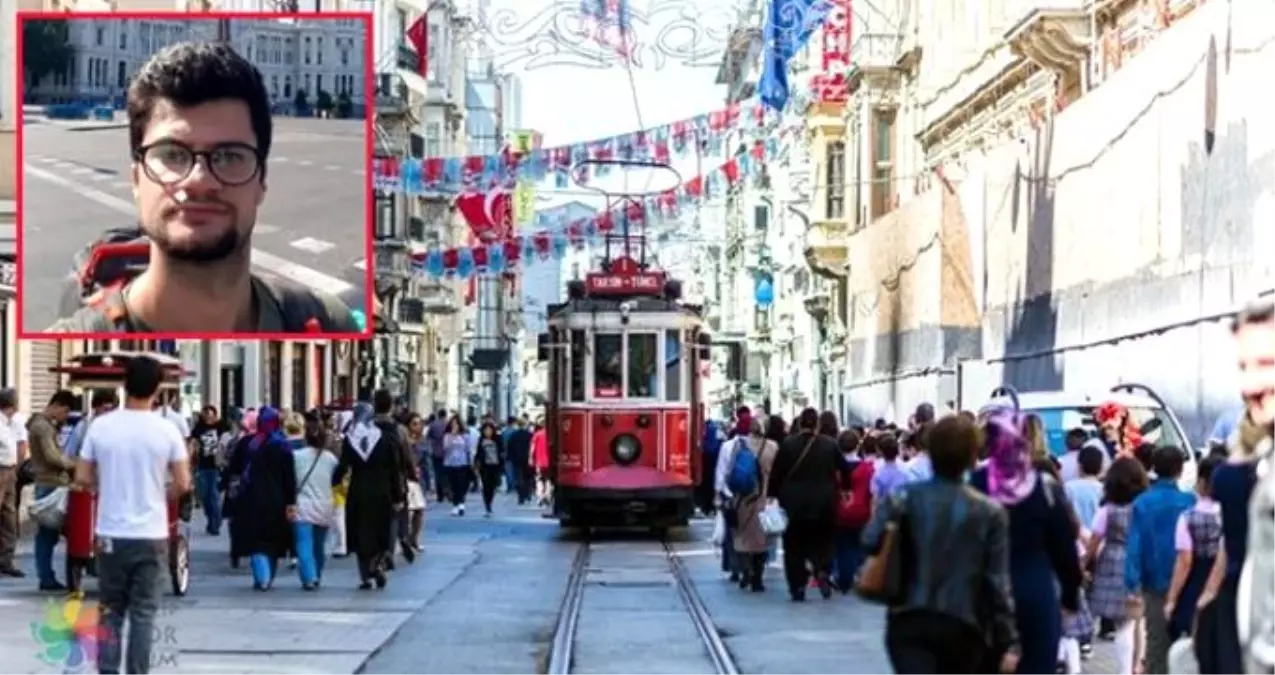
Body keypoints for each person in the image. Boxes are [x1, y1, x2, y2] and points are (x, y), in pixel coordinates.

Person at [48, 41, 358, 333]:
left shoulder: (328, 322)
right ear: (136, 179)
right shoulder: (74, 335)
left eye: (228, 156)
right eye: (172, 154)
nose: (199, 179)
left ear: (262, 180)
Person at [864, 414, 1020, 675]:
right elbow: (997, 582)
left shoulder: (902, 498)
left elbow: (869, 540)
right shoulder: (989, 512)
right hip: (964, 623)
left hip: (909, 617)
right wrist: (1008, 638)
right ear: (973, 455)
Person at [74, 355, 191, 675]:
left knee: (110, 610)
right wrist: (160, 493)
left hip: (111, 532)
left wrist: (107, 484)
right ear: (157, 389)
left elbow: (82, 478)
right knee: (143, 613)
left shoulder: (101, 426)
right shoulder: (167, 430)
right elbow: (183, 482)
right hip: (151, 534)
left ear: (124, 385)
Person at [969, 408, 1083, 675]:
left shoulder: (974, 485)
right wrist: (1070, 596)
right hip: (1034, 592)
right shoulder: (1044, 487)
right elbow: (1064, 550)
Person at [1125, 446, 1196, 675]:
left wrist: (1131, 582)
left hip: (1153, 580)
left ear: (1154, 467)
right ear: (1180, 469)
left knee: (1156, 641)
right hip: (1187, 579)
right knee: (1189, 641)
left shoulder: (1142, 503)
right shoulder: (1190, 501)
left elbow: (1134, 546)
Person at [766, 407, 843, 601]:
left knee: (793, 546)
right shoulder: (830, 445)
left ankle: (797, 586)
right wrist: (845, 489)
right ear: (817, 424)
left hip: (794, 503)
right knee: (823, 540)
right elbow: (843, 469)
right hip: (824, 502)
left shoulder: (788, 445)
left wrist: (771, 495)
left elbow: (777, 473)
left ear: (800, 424)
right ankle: (822, 568)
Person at [335, 394, 407, 589]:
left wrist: (333, 483)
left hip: (358, 491)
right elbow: (394, 469)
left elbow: (342, 467)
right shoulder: (385, 439)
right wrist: (398, 496)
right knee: (380, 530)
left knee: (360, 532)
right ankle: (379, 561)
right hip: (382, 491)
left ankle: (365, 575)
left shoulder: (352, 440)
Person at [1086, 457, 1150, 675]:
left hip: (1113, 563)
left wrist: (1085, 562)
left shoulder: (1107, 511)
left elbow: (1094, 540)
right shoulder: (1142, 508)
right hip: (1139, 561)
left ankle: (1126, 669)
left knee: (1122, 624)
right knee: (1136, 620)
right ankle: (1137, 664)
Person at [224, 406, 297, 590]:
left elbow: (233, 470)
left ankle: (261, 577)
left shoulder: (248, 443)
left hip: (250, 498)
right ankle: (267, 576)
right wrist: (291, 502)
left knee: (255, 540)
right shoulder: (282, 446)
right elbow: (290, 477)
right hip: (276, 500)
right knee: (271, 541)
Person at [1164, 454, 1222, 640]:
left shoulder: (1188, 518)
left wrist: (1172, 599)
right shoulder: (1233, 516)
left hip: (1195, 584)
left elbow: (1184, 561)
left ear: (1202, 481)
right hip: (1226, 588)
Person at [28, 390, 78, 591]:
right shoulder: (43, 427)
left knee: (49, 534)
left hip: (50, 482)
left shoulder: (44, 425)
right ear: (56, 405)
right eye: (65, 412)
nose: (65, 417)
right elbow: (51, 457)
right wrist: (73, 464)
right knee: (47, 533)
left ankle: (47, 575)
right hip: (50, 483)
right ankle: (46, 577)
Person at [728, 417, 780, 592]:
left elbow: (730, 470)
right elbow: (778, 472)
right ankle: (757, 578)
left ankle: (745, 570)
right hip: (764, 499)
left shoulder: (739, 445)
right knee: (761, 541)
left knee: (742, 537)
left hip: (743, 498)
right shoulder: (772, 447)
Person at [291, 416, 340, 590]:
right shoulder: (331, 459)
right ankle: (317, 573)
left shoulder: (296, 456)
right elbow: (337, 480)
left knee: (303, 543)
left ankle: (308, 576)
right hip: (324, 505)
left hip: (302, 505)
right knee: (319, 545)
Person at [189, 404, 230, 536]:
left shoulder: (221, 426)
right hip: (202, 464)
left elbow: (226, 442)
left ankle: (215, 524)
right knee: (204, 496)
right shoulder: (198, 428)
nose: (208, 418)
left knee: (214, 495)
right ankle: (211, 519)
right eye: (206, 415)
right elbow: (193, 442)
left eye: (211, 416)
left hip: (216, 466)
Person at [442, 416, 474, 516]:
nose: (454, 425)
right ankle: (456, 504)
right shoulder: (447, 436)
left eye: (456, 423)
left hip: (462, 463)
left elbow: (469, 449)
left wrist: (472, 462)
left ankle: (460, 503)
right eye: (452, 423)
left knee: (461, 485)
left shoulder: (465, 435)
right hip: (449, 463)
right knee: (453, 485)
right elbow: (445, 448)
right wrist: (452, 435)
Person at [474, 422, 505, 517]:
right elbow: (478, 453)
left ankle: (490, 502)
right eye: (486, 430)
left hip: (495, 466)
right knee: (486, 486)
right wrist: (476, 463)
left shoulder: (498, 439)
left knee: (493, 486)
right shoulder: (481, 440)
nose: (488, 432)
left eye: (489, 430)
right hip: (485, 466)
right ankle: (487, 506)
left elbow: (502, 451)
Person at [505, 417, 533, 505]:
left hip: (516, 459)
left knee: (518, 477)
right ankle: (527, 493)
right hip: (527, 458)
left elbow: (510, 447)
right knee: (527, 477)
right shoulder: (529, 434)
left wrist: (509, 457)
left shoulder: (514, 435)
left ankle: (521, 496)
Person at [531, 420, 550, 506]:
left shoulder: (537, 434)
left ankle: (540, 497)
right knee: (548, 479)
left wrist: (530, 458)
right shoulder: (552, 434)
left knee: (539, 479)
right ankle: (547, 495)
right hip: (549, 461)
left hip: (539, 461)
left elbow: (533, 448)